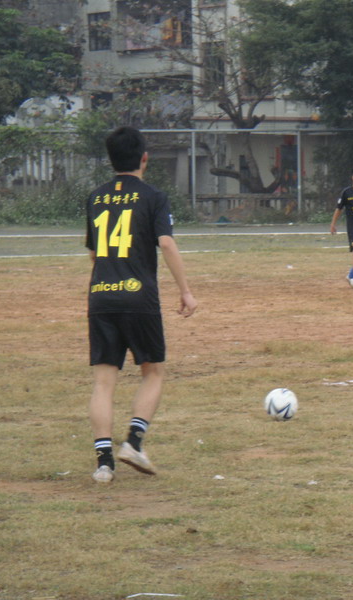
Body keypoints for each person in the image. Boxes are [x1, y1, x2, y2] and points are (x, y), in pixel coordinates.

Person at [85, 126, 198, 483]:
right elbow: (166, 243)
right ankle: (133, 442)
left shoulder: (95, 197)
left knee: (104, 382)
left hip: (101, 294)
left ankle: (104, 463)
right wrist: (185, 291)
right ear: (144, 158)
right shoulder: (154, 197)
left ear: (110, 160)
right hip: (138, 296)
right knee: (153, 371)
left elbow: (94, 253)